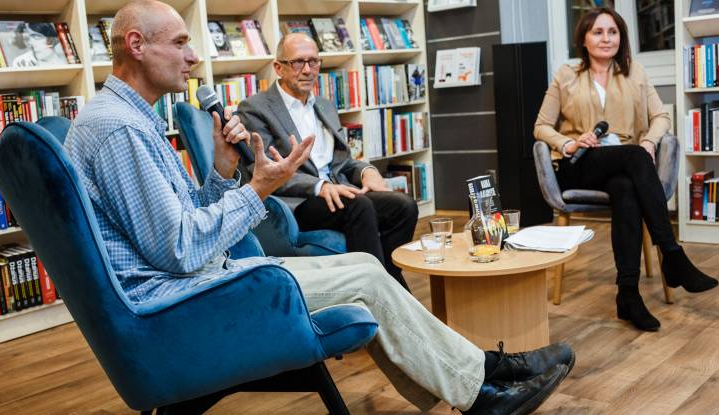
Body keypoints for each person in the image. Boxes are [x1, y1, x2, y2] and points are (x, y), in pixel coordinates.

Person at [64, 1, 574, 413]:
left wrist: (222, 172)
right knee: (368, 278)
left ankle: (480, 371)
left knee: (365, 263)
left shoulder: (130, 121)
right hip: (183, 299)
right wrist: (258, 188)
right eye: (179, 43)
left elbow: (184, 224)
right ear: (137, 45)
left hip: (201, 277)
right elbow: (180, 249)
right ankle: (481, 387)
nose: (193, 57)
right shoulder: (119, 129)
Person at [534, 7, 718, 332]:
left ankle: (628, 296)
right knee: (634, 158)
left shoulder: (635, 73)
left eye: (613, 32)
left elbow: (661, 116)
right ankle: (672, 254)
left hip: (624, 165)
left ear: (621, 37)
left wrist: (649, 142)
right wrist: (569, 144)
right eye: (598, 32)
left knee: (626, 188)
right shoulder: (566, 75)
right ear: (584, 38)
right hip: (581, 164)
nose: (606, 38)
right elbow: (541, 126)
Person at [237, 33, 418, 290]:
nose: (308, 70)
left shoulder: (324, 105)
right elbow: (263, 170)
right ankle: (379, 291)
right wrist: (319, 187)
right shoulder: (255, 108)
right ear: (279, 67)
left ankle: (390, 280)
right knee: (359, 206)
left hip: (338, 191)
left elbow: (341, 162)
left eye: (314, 61)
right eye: (299, 62)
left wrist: (367, 171)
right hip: (298, 201)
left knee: (403, 206)